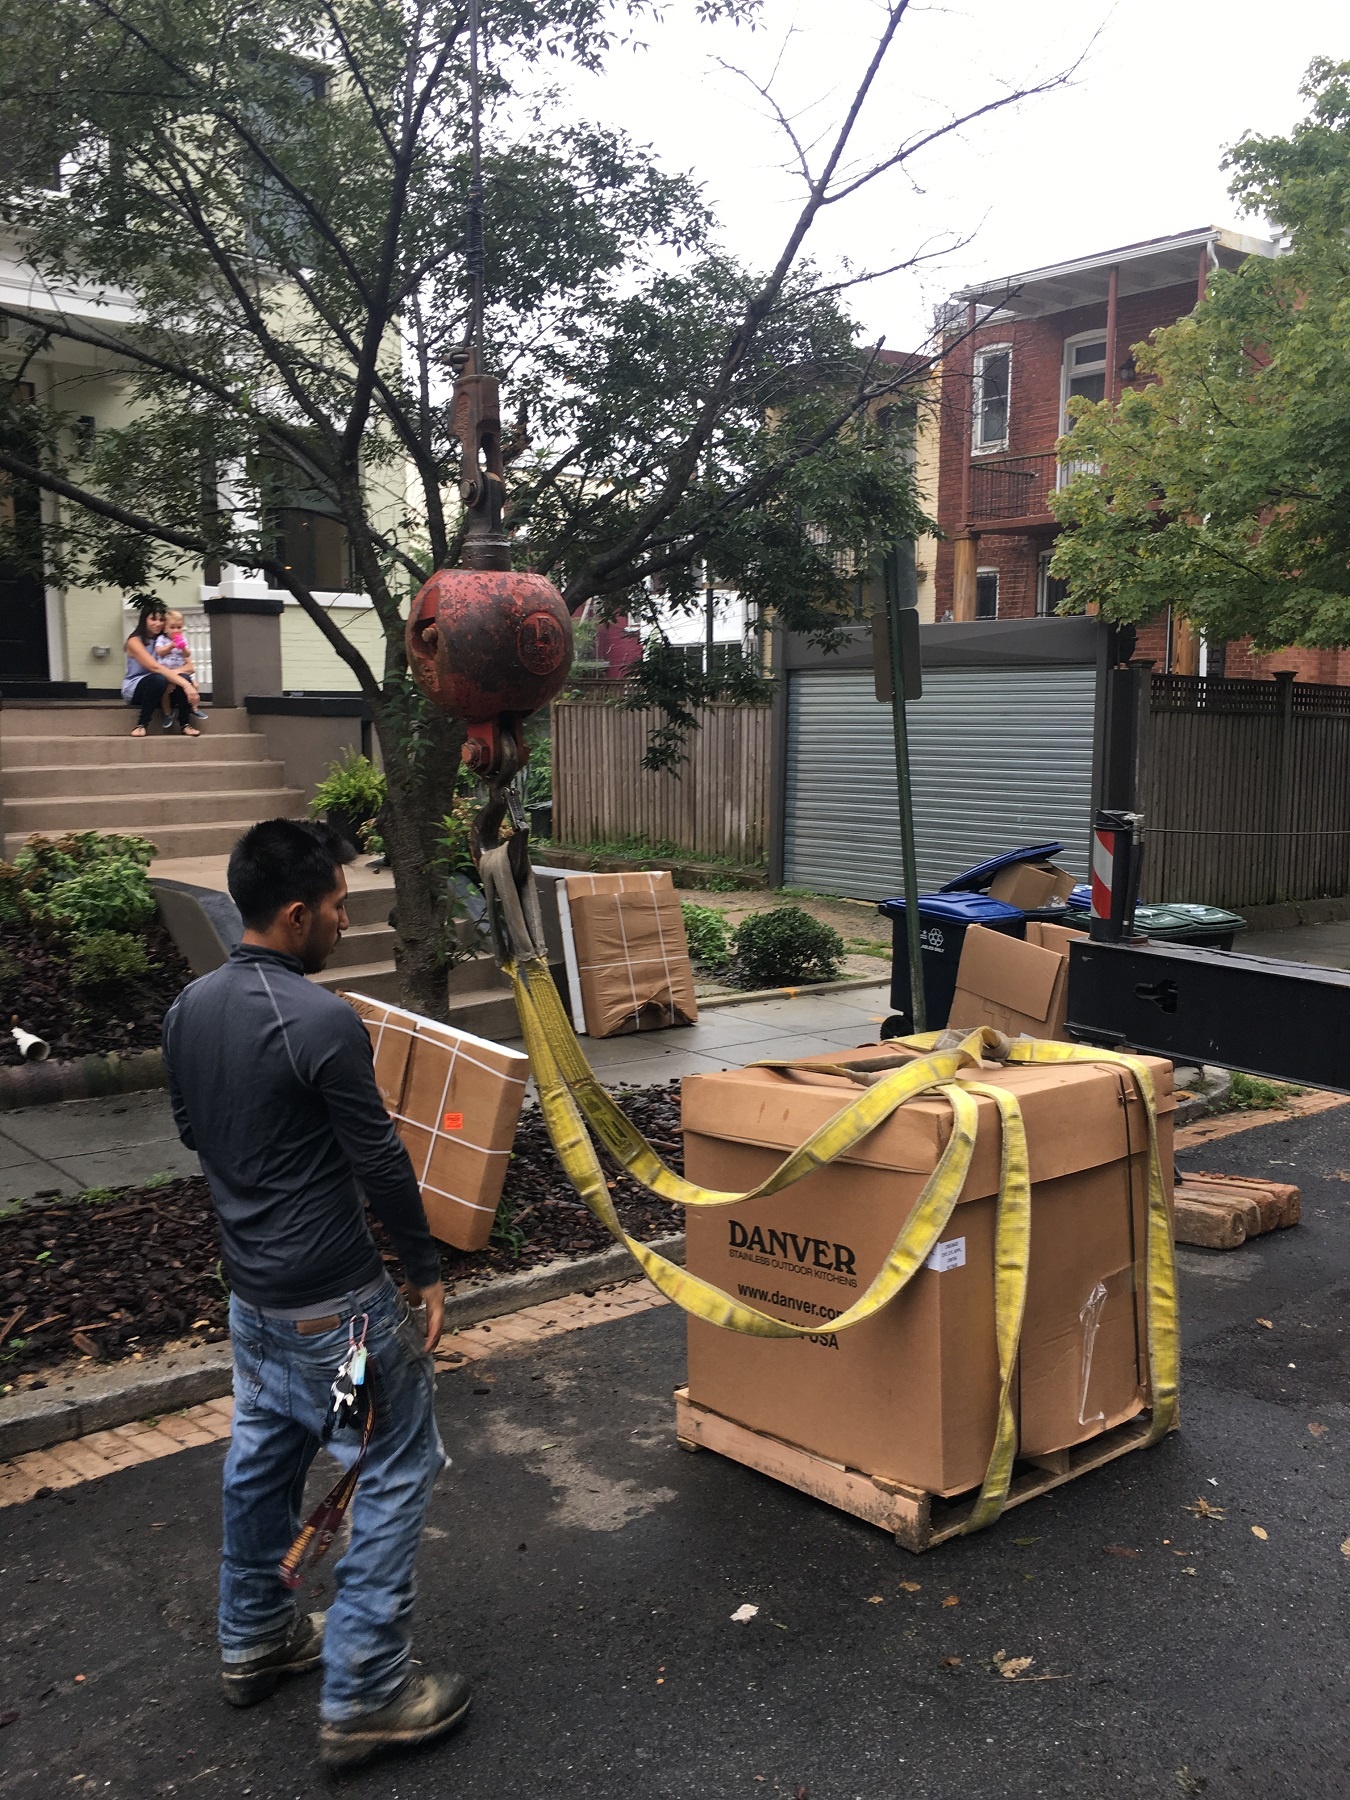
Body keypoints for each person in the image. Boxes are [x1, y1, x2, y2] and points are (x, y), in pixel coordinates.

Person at [162, 819, 470, 1772]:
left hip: (256, 1308)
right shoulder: (320, 1021)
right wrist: (423, 1268)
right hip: (337, 1323)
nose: (345, 917)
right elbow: (379, 1160)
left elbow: (191, 1132)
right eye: (338, 905)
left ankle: (254, 1636)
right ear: (295, 915)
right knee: (389, 1463)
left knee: (267, 1449)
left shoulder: (189, 1009)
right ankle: (369, 1689)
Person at [121, 599, 199, 737]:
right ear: (144, 619)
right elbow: (154, 667)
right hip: (138, 688)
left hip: (164, 689)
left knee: (182, 677)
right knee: (158, 679)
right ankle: (141, 724)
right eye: (153, 619)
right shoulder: (134, 641)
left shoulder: (168, 640)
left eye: (161, 619)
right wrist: (186, 685)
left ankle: (185, 724)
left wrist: (173, 678)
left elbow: (190, 667)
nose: (158, 623)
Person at [153, 608, 208, 724]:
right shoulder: (161, 639)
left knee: (195, 685)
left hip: (180, 671)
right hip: (166, 671)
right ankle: (167, 713)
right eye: (172, 627)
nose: (176, 630)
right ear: (165, 628)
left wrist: (182, 647)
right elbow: (159, 652)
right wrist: (171, 646)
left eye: (179, 627)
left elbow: (188, 654)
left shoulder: (183, 639)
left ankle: (194, 708)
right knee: (165, 691)